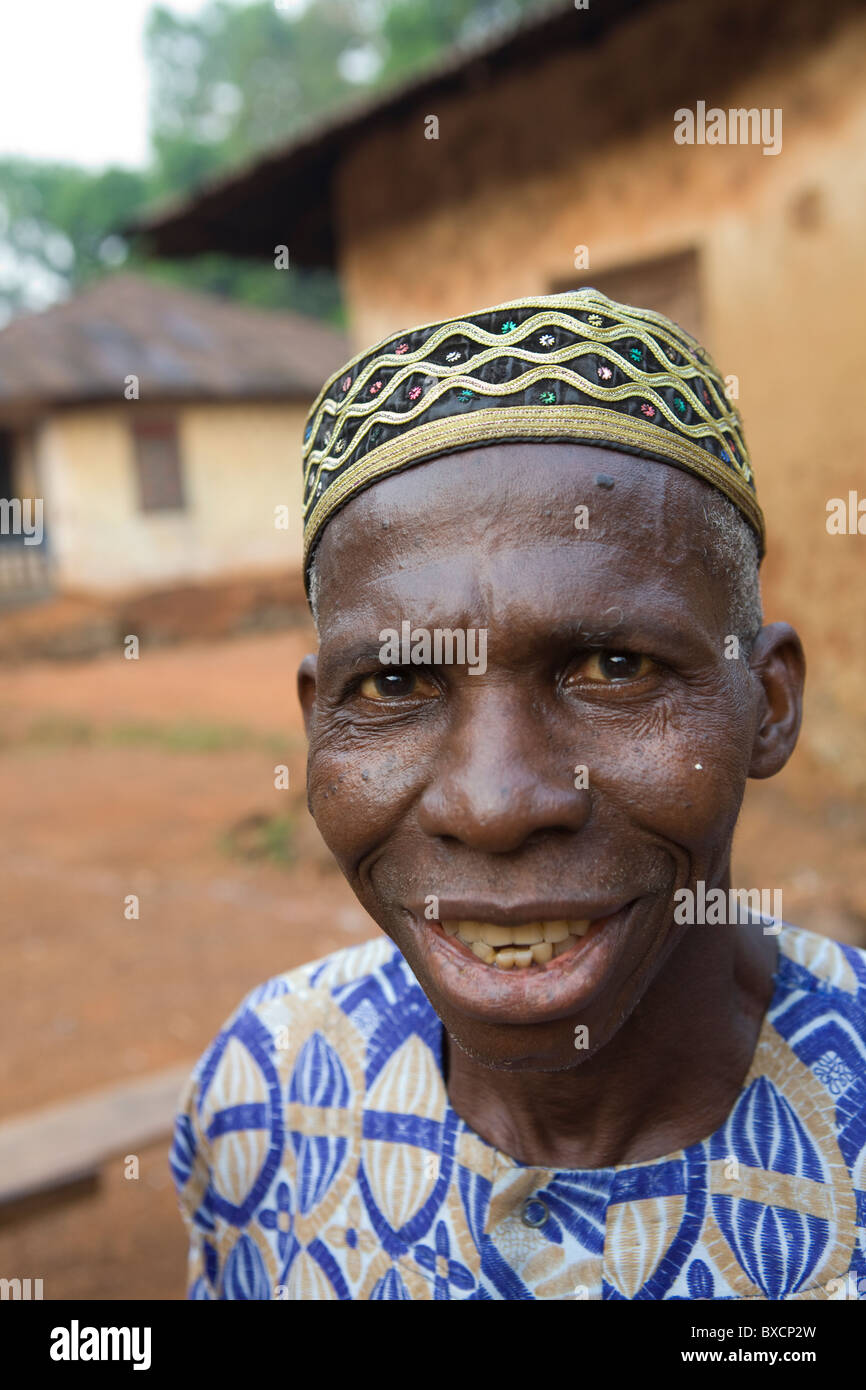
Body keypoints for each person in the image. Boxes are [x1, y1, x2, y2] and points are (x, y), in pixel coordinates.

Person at [171, 289, 866, 1300]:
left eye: (612, 664)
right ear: (317, 720)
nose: (494, 804)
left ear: (764, 703)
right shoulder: (264, 1093)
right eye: (397, 684)